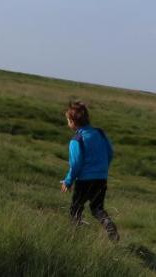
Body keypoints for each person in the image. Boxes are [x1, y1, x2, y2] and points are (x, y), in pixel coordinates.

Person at [60, 100, 119, 241]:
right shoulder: (100, 133)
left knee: (76, 209)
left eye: (68, 120)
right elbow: (110, 152)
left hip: (84, 181)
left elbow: (75, 164)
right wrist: (102, 169)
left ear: (73, 122)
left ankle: (74, 237)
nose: (68, 123)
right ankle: (109, 225)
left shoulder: (76, 140)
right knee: (97, 208)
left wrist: (68, 181)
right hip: (101, 179)